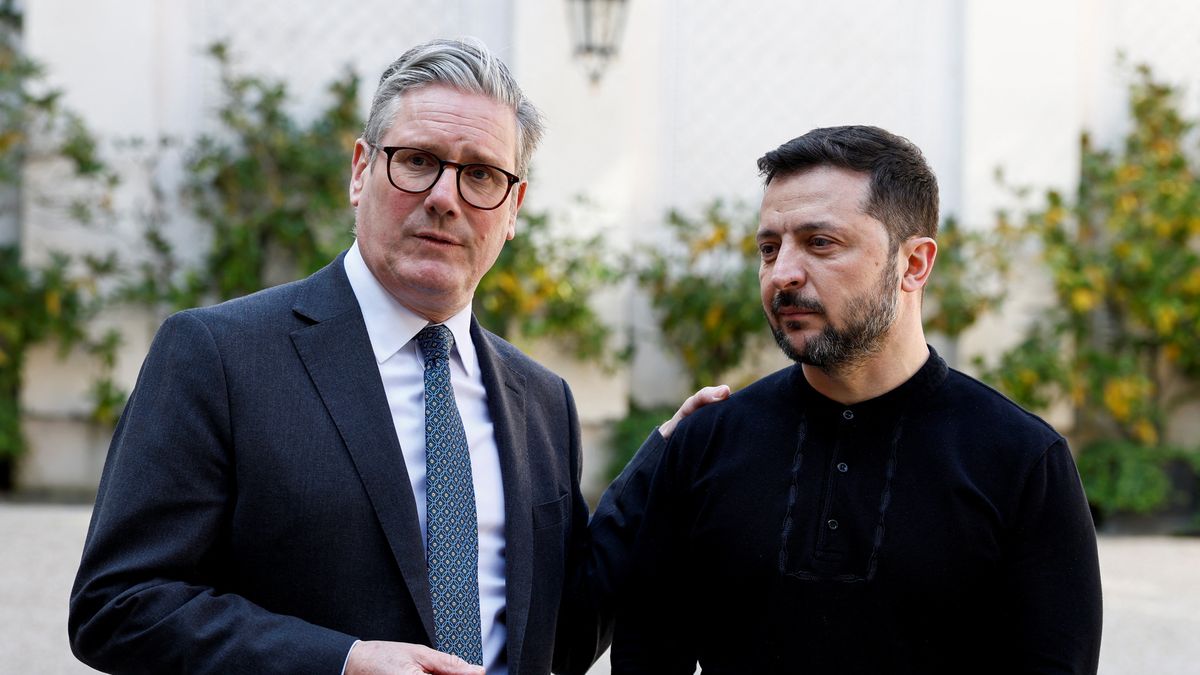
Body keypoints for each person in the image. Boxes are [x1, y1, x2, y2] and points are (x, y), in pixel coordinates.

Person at [68, 38, 719, 675]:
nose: (444, 197)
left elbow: (556, 642)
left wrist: (664, 464)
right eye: (417, 160)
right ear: (361, 171)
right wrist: (342, 662)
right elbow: (119, 605)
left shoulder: (543, 400)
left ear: (513, 209)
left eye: (481, 175)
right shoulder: (219, 357)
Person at [605, 125, 1103, 674]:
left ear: (914, 264)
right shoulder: (707, 442)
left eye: (820, 243)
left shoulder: (1021, 460)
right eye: (769, 249)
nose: (782, 274)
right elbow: (644, 658)